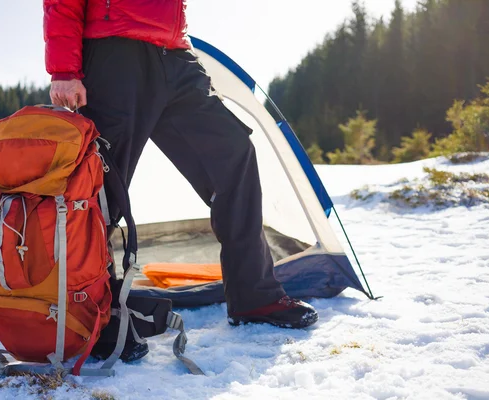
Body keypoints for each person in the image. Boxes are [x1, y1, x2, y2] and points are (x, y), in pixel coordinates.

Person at [43, 0, 318, 356]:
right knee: (100, 188)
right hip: (115, 53)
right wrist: (64, 68)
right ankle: (91, 318)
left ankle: (254, 297)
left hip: (174, 55)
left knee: (233, 153)